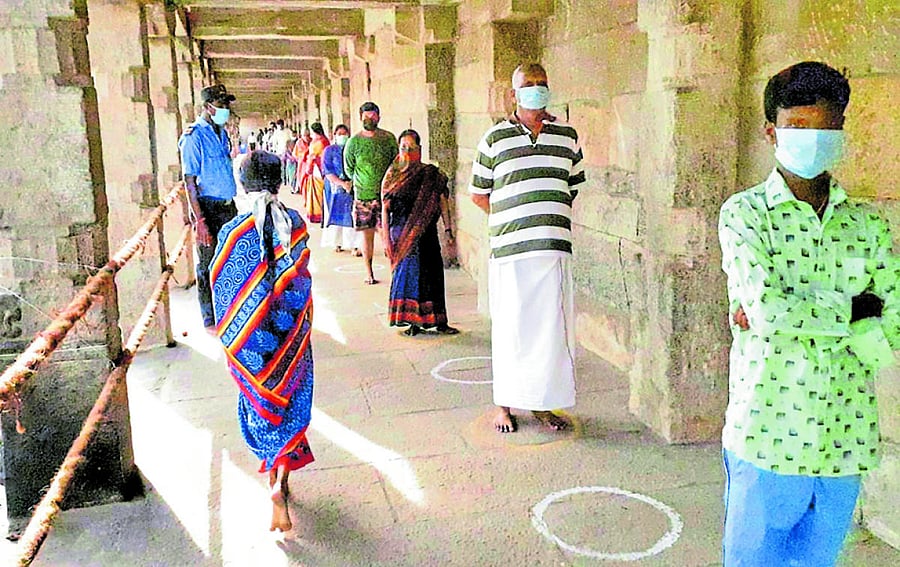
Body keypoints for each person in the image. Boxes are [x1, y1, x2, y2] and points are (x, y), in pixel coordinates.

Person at [717, 61, 898, 567]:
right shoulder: (746, 214)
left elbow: (896, 313)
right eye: (799, 127)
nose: (813, 139)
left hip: (845, 437)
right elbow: (769, 309)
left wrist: (805, 313)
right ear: (772, 131)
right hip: (767, 436)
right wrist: (858, 311)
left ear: (841, 132)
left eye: (826, 127)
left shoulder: (868, 224)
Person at [469, 63, 585, 433]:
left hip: (552, 249)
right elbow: (478, 194)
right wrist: (513, 218)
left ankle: (543, 405)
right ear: (513, 93)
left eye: (541, 84)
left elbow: (572, 186)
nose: (535, 90)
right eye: (528, 85)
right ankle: (504, 406)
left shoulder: (567, 136)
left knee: (550, 333)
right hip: (511, 253)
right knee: (511, 329)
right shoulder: (495, 138)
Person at [211, 150, 315, 533]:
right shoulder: (296, 224)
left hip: (251, 345)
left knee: (261, 407)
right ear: (278, 181)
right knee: (292, 403)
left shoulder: (232, 232)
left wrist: (241, 334)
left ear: (243, 184)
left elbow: (223, 289)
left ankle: (273, 481)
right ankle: (280, 483)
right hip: (291, 340)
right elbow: (300, 279)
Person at [381, 129, 459, 337]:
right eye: (403, 148)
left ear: (420, 150)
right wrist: (386, 238)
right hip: (401, 235)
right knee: (409, 278)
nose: (407, 152)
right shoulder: (392, 176)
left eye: (412, 148)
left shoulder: (431, 174)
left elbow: (443, 203)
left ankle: (439, 322)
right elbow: (385, 209)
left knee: (432, 277)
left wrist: (448, 230)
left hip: (426, 235)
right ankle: (412, 322)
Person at [178, 84, 239, 331]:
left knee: (230, 260)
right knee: (207, 264)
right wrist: (199, 220)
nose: (225, 110)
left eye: (226, 105)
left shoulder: (221, 132)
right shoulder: (193, 137)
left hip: (228, 206)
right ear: (207, 107)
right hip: (208, 208)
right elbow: (189, 181)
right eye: (221, 105)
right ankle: (210, 318)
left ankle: (230, 310)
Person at [344, 102, 398, 284]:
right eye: (366, 116)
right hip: (363, 196)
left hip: (386, 195)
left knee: (389, 235)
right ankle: (369, 273)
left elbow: (396, 163)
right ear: (360, 118)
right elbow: (349, 168)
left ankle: (394, 271)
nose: (370, 119)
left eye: (373, 116)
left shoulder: (388, 139)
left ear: (379, 117)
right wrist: (363, 182)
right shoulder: (354, 142)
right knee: (366, 236)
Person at [321, 124, 362, 254]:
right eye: (339, 134)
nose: (342, 136)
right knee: (335, 214)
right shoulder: (329, 151)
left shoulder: (353, 149)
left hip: (351, 186)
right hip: (334, 188)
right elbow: (328, 171)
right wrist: (341, 184)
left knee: (352, 215)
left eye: (345, 133)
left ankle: (355, 245)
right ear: (334, 135)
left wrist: (351, 182)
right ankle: (336, 243)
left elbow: (358, 167)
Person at [297, 122, 329, 224]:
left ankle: (317, 214)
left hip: (317, 170)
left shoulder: (318, 143)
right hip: (322, 169)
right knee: (320, 192)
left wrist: (308, 168)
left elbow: (313, 156)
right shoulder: (325, 140)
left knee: (317, 193)